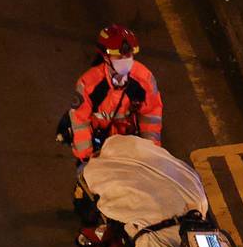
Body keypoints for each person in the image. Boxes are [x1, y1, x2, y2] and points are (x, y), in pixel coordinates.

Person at [55, 24, 164, 218]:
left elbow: (152, 113)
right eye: (119, 57)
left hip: (129, 142)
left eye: (128, 56)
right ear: (106, 57)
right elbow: (79, 122)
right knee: (91, 198)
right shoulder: (89, 83)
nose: (125, 61)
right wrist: (87, 158)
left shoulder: (144, 78)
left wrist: (151, 148)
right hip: (99, 145)